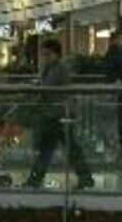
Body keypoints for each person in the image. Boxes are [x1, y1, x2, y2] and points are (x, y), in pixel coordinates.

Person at [24, 39, 93, 191]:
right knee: (60, 148)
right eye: (43, 54)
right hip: (54, 114)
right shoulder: (49, 68)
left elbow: (51, 88)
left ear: (55, 54)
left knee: (54, 149)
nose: (44, 57)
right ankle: (85, 177)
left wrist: (39, 87)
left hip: (59, 114)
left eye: (47, 54)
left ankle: (35, 179)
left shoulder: (60, 69)